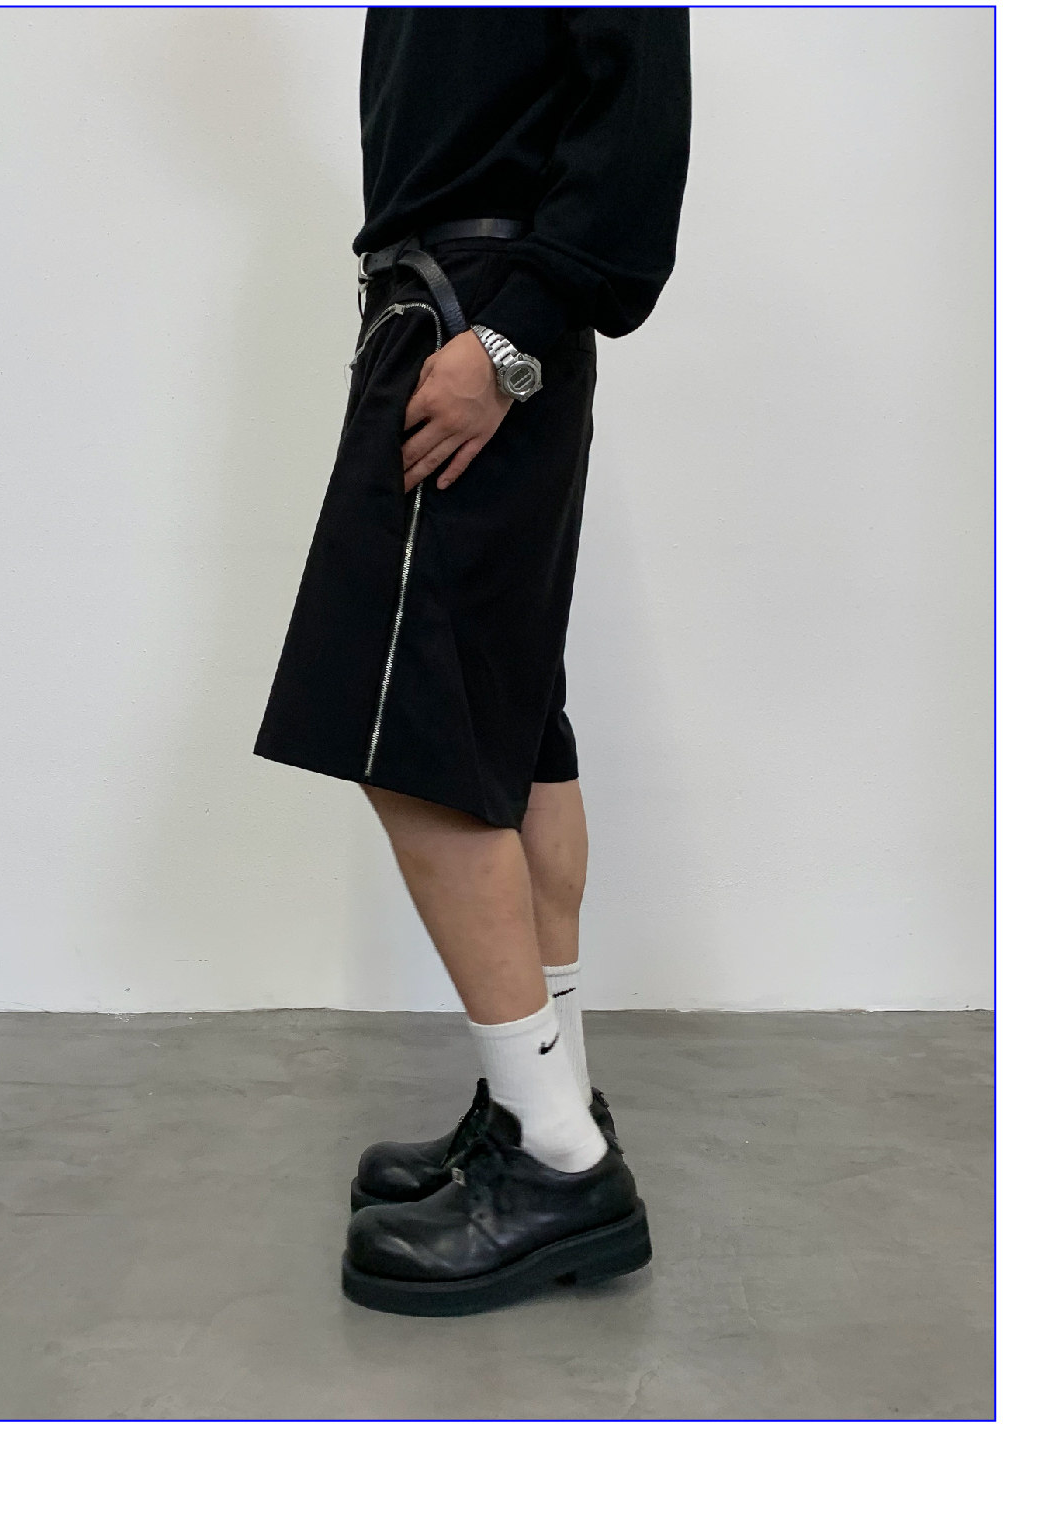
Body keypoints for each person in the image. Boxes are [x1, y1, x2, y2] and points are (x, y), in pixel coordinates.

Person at [253, 8, 692, 1316]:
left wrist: (509, 340)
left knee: (416, 737)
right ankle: (544, 1101)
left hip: (477, 323)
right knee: (511, 727)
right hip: (459, 307)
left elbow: (637, 113)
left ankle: (556, 1163)